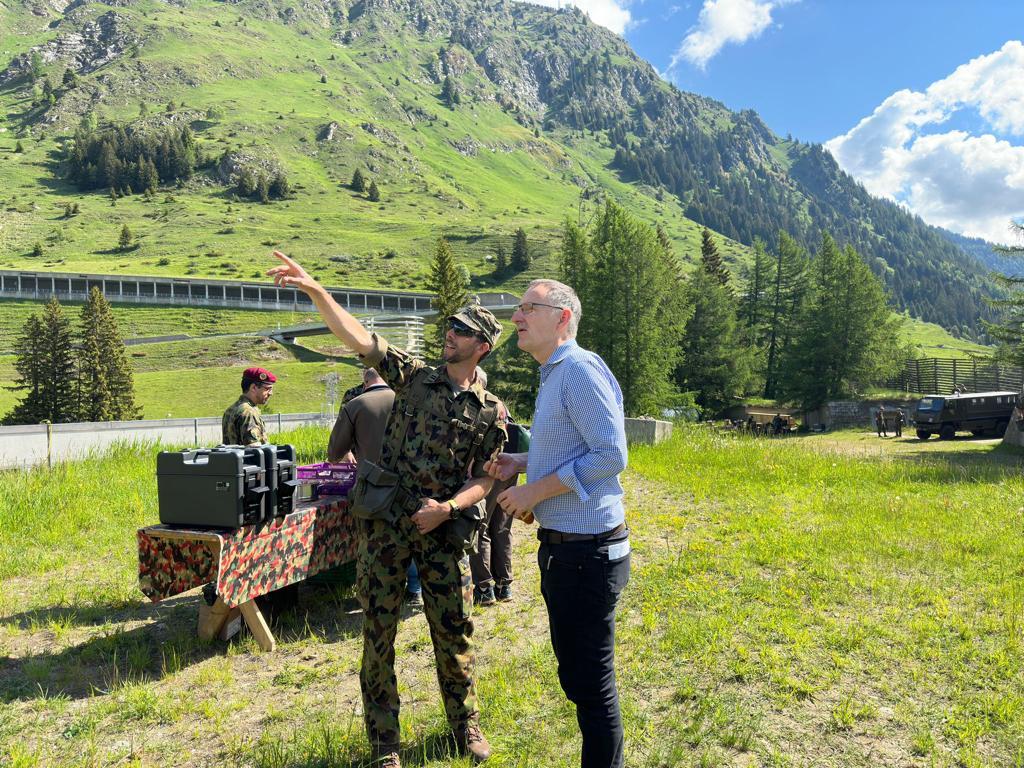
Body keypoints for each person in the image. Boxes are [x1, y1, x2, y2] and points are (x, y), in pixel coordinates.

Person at [268, 251, 507, 767]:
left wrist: (447, 508)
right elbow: (358, 339)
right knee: (379, 635)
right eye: (450, 326)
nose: (450, 334)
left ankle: (464, 727)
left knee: (454, 632)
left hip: (441, 530)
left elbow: (486, 477)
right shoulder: (416, 377)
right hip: (386, 525)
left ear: (482, 347)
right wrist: (314, 289)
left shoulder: (491, 411)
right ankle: (384, 745)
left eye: (462, 331)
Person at [485, 279, 630, 768]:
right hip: (569, 553)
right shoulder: (555, 373)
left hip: (587, 555)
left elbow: (611, 456)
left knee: (593, 688)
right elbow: (573, 447)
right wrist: (520, 462)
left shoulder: (577, 370)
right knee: (579, 680)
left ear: (562, 317)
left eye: (529, 307)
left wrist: (533, 491)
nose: (516, 317)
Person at [327, 367, 423, 607]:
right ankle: (414, 588)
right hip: (411, 485)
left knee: (374, 543)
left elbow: (335, 453)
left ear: (365, 380)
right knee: (411, 536)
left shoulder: (355, 405)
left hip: (372, 487)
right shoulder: (412, 400)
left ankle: (379, 594)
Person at [468, 368, 523, 606]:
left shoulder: (479, 404)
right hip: (509, 469)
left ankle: (484, 587)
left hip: (488, 471)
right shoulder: (500, 405)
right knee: (502, 526)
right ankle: (504, 585)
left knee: (480, 526)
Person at [222, 366, 276, 446]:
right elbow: (255, 450)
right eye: (267, 389)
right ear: (253, 387)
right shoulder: (249, 412)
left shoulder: (231, 409)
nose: (270, 393)